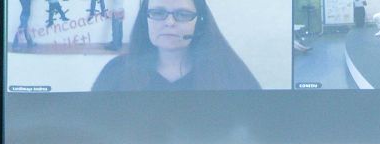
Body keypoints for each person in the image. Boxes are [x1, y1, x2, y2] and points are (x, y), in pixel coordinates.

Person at [92, 0, 260, 91]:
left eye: (182, 14)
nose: (170, 22)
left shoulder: (230, 75)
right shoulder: (116, 72)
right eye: (158, 13)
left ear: (200, 22)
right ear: (145, 20)